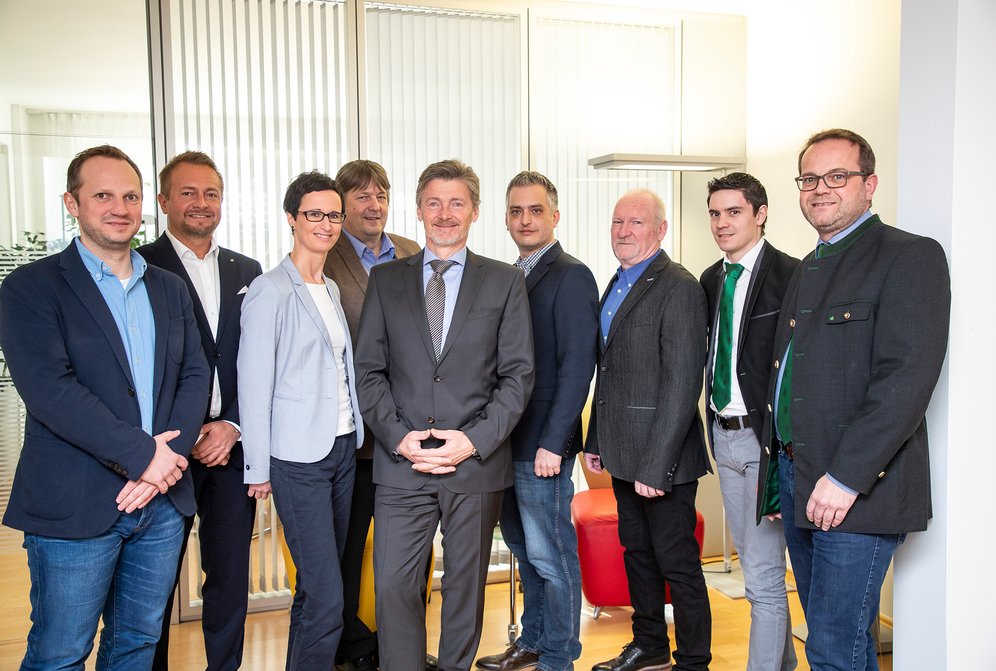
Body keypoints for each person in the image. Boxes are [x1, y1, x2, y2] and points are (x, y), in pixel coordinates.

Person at [0, 144, 210, 669]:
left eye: (130, 197)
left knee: (137, 644)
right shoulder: (30, 288)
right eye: (103, 196)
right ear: (72, 203)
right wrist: (146, 458)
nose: (120, 208)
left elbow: (194, 375)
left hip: (161, 504)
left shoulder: (169, 288)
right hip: (76, 502)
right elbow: (51, 391)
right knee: (61, 652)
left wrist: (165, 464)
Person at [758, 129, 950, 671]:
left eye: (837, 176)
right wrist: (777, 481)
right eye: (809, 179)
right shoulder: (809, 265)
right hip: (799, 481)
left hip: (856, 489)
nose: (820, 188)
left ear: (870, 184)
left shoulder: (909, 256)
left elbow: (905, 382)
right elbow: (791, 375)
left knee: (830, 650)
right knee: (844, 643)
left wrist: (844, 479)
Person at [355, 159, 534, 671]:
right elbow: (368, 372)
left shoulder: (504, 281)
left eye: (457, 203)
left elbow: (518, 376)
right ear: (418, 210)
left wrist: (473, 441)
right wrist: (398, 438)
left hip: (474, 464)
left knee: (464, 589)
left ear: (475, 211)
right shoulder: (386, 280)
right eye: (434, 202)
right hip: (401, 465)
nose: (445, 213)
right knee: (394, 586)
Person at [140, 151, 263, 671]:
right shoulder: (140, 266)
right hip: (164, 450)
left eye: (211, 193)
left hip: (231, 448)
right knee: (153, 582)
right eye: (188, 192)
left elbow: (257, 358)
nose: (201, 202)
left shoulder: (247, 269)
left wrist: (233, 424)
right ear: (163, 200)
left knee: (230, 575)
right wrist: (186, 431)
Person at [238, 170, 364, 671]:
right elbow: (253, 383)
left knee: (315, 591)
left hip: (343, 445)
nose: (326, 224)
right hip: (297, 458)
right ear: (292, 218)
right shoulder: (269, 290)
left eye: (334, 215)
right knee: (329, 596)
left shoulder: (330, 287)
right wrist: (257, 467)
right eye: (314, 214)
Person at [584, 189, 711, 671]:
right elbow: (609, 373)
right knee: (636, 552)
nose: (624, 231)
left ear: (660, 230)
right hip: (622, 452)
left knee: (677, 563)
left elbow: (682, 384)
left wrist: (657, 466)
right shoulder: (617, 281)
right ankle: (650, 645)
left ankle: (694, 661)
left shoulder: (679, 286)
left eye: (636, 222)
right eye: (618, 222)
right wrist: (596, 440)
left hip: (664, 461)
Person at [475, 171, 597, 671]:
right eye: (516, 211)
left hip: (542, 446)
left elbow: (577, 367)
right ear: (506, 219)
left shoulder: (571, 275)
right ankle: (534, 641)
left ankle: (559, 657)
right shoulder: (510, 275)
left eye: (535, 210)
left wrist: (555, 442)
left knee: (552, 556)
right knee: (524, 553)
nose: (525, 220)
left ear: (555, 216)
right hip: (504, 442)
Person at [322, 159, 421, 671]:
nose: (374, 204)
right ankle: (351, 646)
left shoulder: (411, 250)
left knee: (409, 552)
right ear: (342, 205)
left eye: (380, 194)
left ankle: (399, 647)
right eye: (362, 195)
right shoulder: (324, 256)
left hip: (414, 432)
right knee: (347, 546)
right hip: (357, 435)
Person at [699, 173, 798, 671]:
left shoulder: (791, 276)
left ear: (760, 214)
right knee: (756, 568)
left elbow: (797, 376)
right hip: (724, 436)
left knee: (761, 578)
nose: (722, 223)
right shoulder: (711, 279)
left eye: (734, 212)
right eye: (715, 214)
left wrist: (782, 461)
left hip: (765, 444)